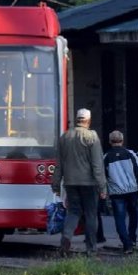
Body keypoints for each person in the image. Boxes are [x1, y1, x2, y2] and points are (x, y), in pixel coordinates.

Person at [52, 108, 106, 257]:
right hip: (89, 183)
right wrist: (102, 186)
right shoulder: (92, 137)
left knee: (73, 212)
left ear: (77, 119)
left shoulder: (65, 137)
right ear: (88, 121)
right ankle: (91, 247)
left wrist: (56, 185)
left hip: (70, 182)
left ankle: (66, 239)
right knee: (90, 214)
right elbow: (97, 165)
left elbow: (59, 164)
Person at [103, 130, 138, 254]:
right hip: (132, 191)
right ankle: (132, 238)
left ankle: (127, 244)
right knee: (133, 214)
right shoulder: (130, 154)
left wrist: (103, 191)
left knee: (119, 218)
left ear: (110, 142)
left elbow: (103, 176)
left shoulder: (106, 157)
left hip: (116, 193)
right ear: (122, 141)